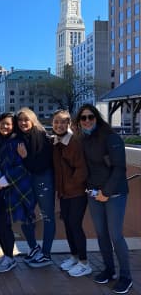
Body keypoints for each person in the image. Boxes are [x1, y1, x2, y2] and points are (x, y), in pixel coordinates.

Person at [74, 104, 133, 294]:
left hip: (113, 193)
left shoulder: (111, 138)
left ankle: (126, 276)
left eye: (90, 117)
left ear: (97, 118)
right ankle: (109, 270)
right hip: (93, 193)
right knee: (101, 234)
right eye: (83, 118)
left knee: (115, 235)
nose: (87, 121)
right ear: (79, 122)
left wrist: (106, 192)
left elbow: (119, 168)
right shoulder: (83, 139)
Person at [0, 112, 34, 273]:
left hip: (10, 191)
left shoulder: (17, 142)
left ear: (14, 126)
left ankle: (10, 257)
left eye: (9, 124)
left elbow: (21, 168)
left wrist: (2, 182)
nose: (5, 126)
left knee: (5, 225)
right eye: (3, 123)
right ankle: (5, 254)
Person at [51, 109, 91, 277]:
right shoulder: (56, 142)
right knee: (68, 225)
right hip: (64, 193)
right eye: (56, 122)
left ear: (69, 124)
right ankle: (74, 256)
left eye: (63, 122)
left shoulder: (74, 142)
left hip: (76, 193)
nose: (59, 125)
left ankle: (84, 262)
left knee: (75, 226)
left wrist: (70, 187)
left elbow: (81, 169)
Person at [16, 107, 55, 268]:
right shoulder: (18, 138)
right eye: (20, 120)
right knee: (25, 216)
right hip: (26, 182)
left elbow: (40, 165)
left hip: (43, 180)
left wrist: (25, 158)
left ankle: (46, 254)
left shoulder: (42, 137)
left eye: (26, 119)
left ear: (33, 119)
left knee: (47, 217)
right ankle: (34, 248)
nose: (23, 123)